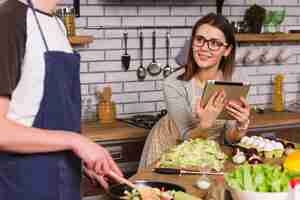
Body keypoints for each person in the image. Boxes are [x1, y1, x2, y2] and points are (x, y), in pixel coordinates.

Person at [0, 0, 122, 199]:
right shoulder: (9, 19)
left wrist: (80, 160)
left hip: (65, 181)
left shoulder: (57, 24)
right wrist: (77, 142)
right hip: (24, 184)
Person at [139, 13, 251, 169]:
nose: (204, 48)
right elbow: (186, 137)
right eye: (199, 40)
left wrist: (241, 125)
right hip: (170, 149)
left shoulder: (234, 80)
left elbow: (228, 138)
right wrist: (205, 124)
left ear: (227, 50)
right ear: (192, 43)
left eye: (214, 43)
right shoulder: (174, 83)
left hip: (207, 153)